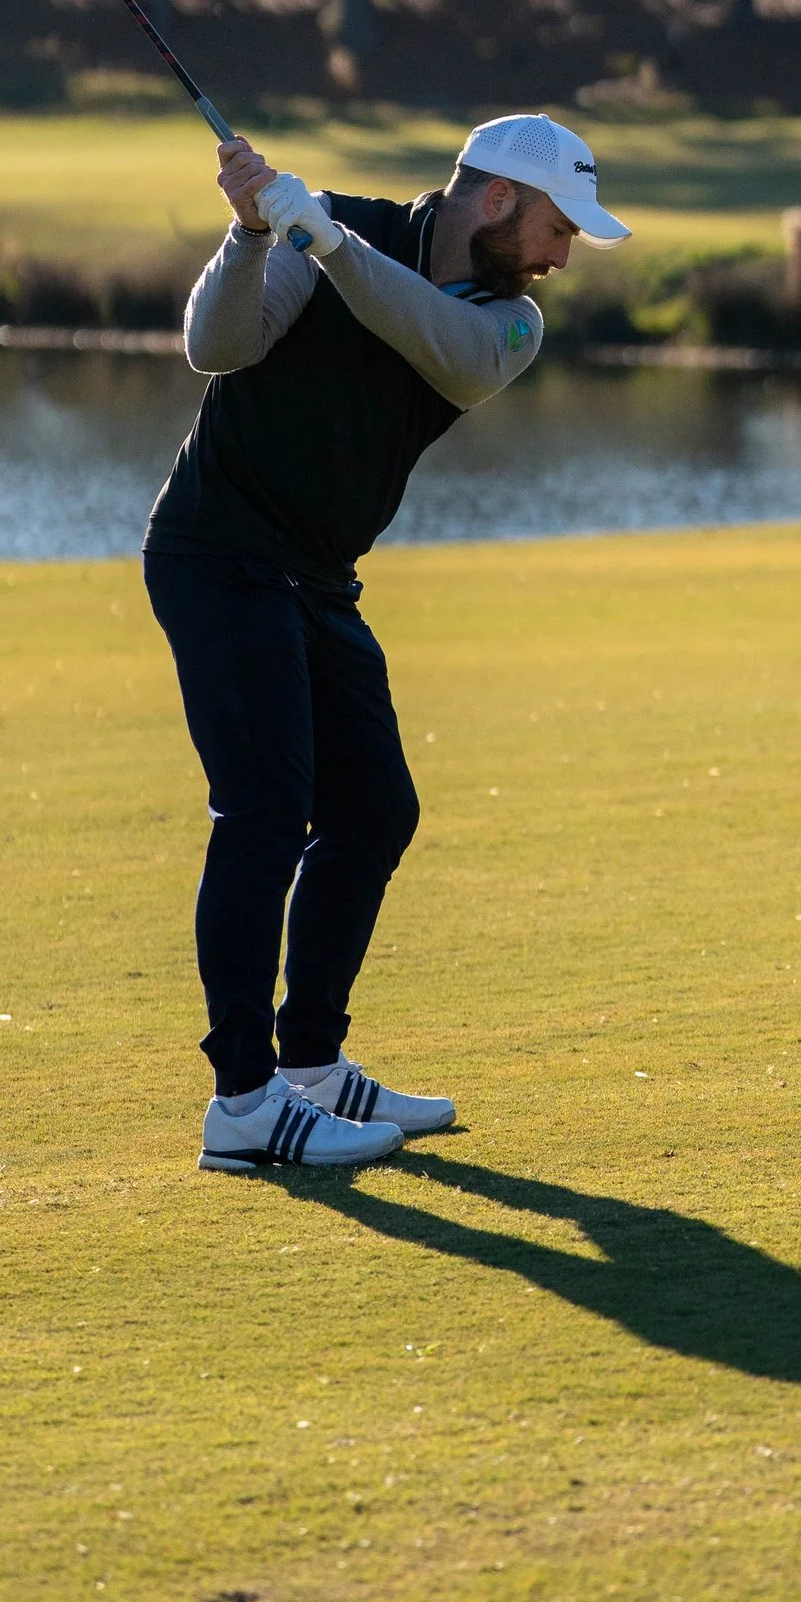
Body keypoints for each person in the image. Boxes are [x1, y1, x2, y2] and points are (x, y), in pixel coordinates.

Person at [143, 112, 631, 1174]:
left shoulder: (506, 322)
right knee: (265, 809)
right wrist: (252, 236)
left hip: (317, 578)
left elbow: (445, 354)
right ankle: (241, 1102)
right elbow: (213, 347)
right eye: (557, 227)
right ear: (496, 198)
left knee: (374, 810)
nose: (562, 256)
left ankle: (310, 1068)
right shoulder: (331, 233)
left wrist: (321, 238)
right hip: (219, 553)